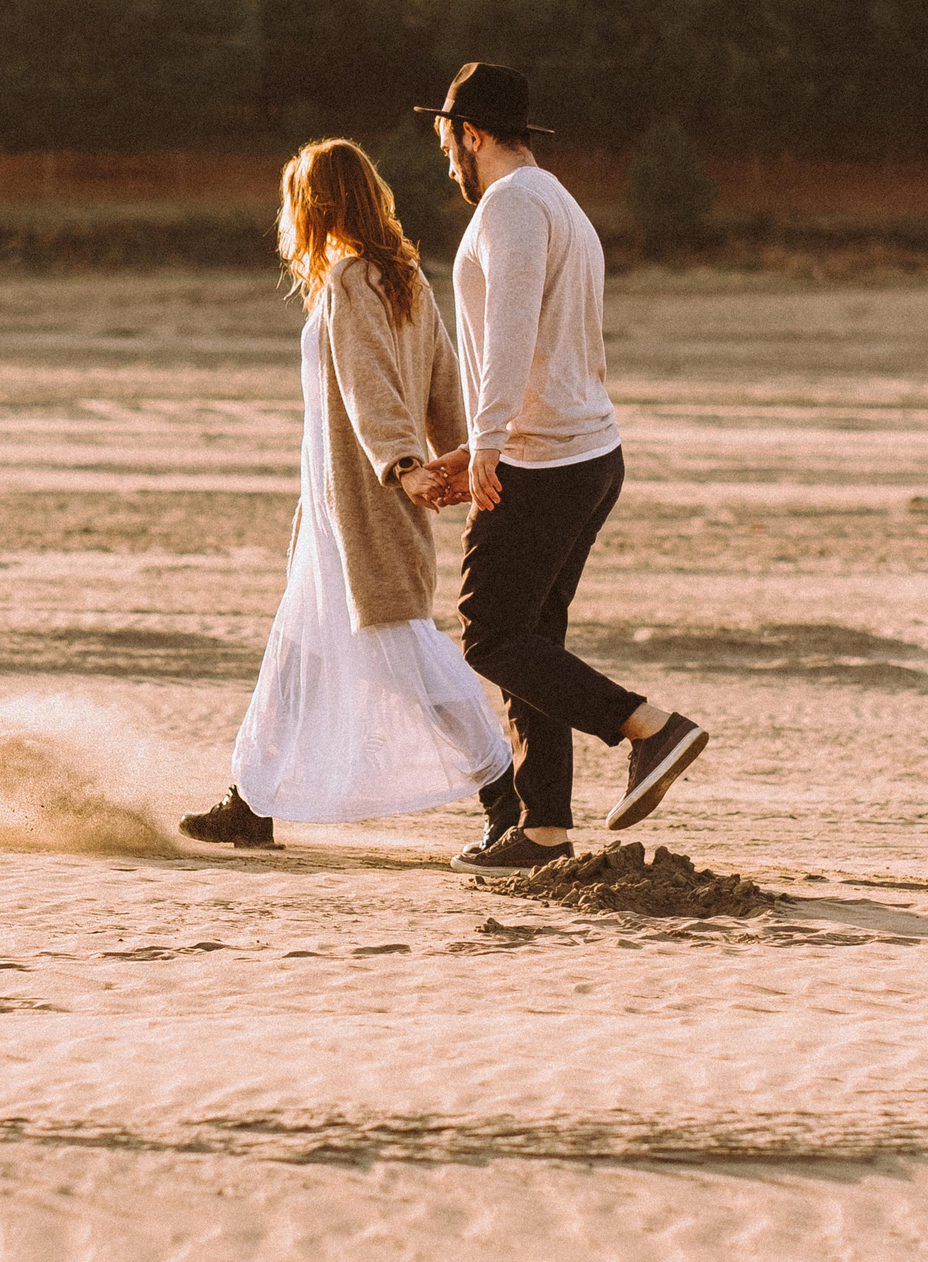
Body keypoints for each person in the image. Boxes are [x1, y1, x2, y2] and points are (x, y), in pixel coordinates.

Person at [419, 62, 710, 877]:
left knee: (490, 631)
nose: (445, 156)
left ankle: (648, 726)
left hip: (544, 457)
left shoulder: (511, 206)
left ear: (470, 135)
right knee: (531, 634)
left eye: (446, 138)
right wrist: (478, 441)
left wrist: (485, 443)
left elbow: (510, 330)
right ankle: (544, 827)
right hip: (582, 449)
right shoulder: (558, 200)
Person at [180, 139, 510, 849]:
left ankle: (504, 788)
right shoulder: (406, 278)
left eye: (295, 199)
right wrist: (454, 454)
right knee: (296, 648)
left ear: (317, 205)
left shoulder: (352, 281)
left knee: (408, 649)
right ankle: (252, 798)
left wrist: (407, 466)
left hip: (362, 503)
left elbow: (370, 383)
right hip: (331, 507)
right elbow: (444, 380)